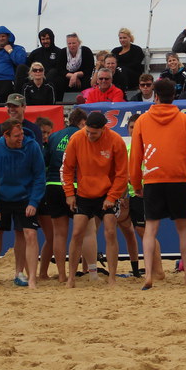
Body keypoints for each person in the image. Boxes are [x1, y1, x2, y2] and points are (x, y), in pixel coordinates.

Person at [130, 78, 186, 289]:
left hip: (153, 179)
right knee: (183, 228)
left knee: (151, 229)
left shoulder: (143, 120)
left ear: (155, 96)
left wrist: (136, 183)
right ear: (174, 96)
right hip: (178, 179)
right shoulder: (184, 119)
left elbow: (135, 156)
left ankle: (148, 276)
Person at [62, 110, 128, 287]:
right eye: (88, 131)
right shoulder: (77, 138)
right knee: (77, 233)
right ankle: (71, 278)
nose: (90, 136)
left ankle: (112, 277)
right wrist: (69, 193)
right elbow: (67, 169)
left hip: (107, 193)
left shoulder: (116, 140)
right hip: (84, 193)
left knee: (110, 232)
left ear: (103, 129)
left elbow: (122, 174)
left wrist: (112, 196)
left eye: (94, 133)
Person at [0, 118, 45, 289]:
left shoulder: (32, 146)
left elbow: (39, 177)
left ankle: (28, 277)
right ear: (5, 135)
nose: (21, 138)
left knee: (29, 234)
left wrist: (33, 202)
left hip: (25, 198)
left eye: (21, 134)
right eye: (16, 136)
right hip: (0, 198)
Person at [37, 107, 85, 284]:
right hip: (75, 185)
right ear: (81, 122)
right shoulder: (82, 135)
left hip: (53, 185)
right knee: (81, 233)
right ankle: (80, 272)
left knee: (59, 234)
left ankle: (62, 274)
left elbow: (45, 162)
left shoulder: (55, 136)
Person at [28, 28, 66, 95]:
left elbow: (62, 70)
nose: (45, 41)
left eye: (47, 38)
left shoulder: (60, 52)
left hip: (54, 84)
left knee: (53, 72)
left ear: (52, 38)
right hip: (36, 81)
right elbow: (28, 68)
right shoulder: (35, 53)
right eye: (43, 39)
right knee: (21, 67)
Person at [60, 33, 95, 98]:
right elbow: (60, 69)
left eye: (74, 43)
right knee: (59, 81)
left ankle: (86, 98)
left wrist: (76, 75)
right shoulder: (63, 52)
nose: (71, 45)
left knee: (86, 82)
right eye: (69, 43)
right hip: (67, 77)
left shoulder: (86, 51)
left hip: (83, 76)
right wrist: (72, 76)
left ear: (78, 43)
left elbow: (89, 69)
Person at [111, 27, 145, 92]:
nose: (122, 40)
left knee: (121, 70)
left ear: (130, 38)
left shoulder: (136, 50)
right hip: (117, 73)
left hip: (133, 75)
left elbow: (136, 64)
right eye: (120, 38)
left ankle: (122, 90)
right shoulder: (115, 51)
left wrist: (120, 67)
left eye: (124, 38)